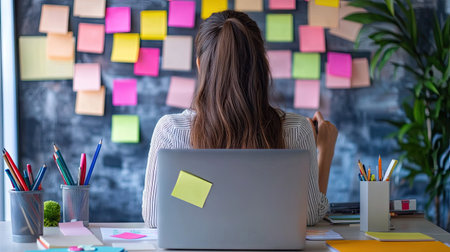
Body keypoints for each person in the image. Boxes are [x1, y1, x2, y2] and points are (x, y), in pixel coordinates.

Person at [142, 10, 338, 228]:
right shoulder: (297, 130)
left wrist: (204, 193)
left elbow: (153, 217)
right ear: (263, 65)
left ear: (199, 66)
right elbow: (309, 216)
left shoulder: (171, 130)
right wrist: (326, 152)